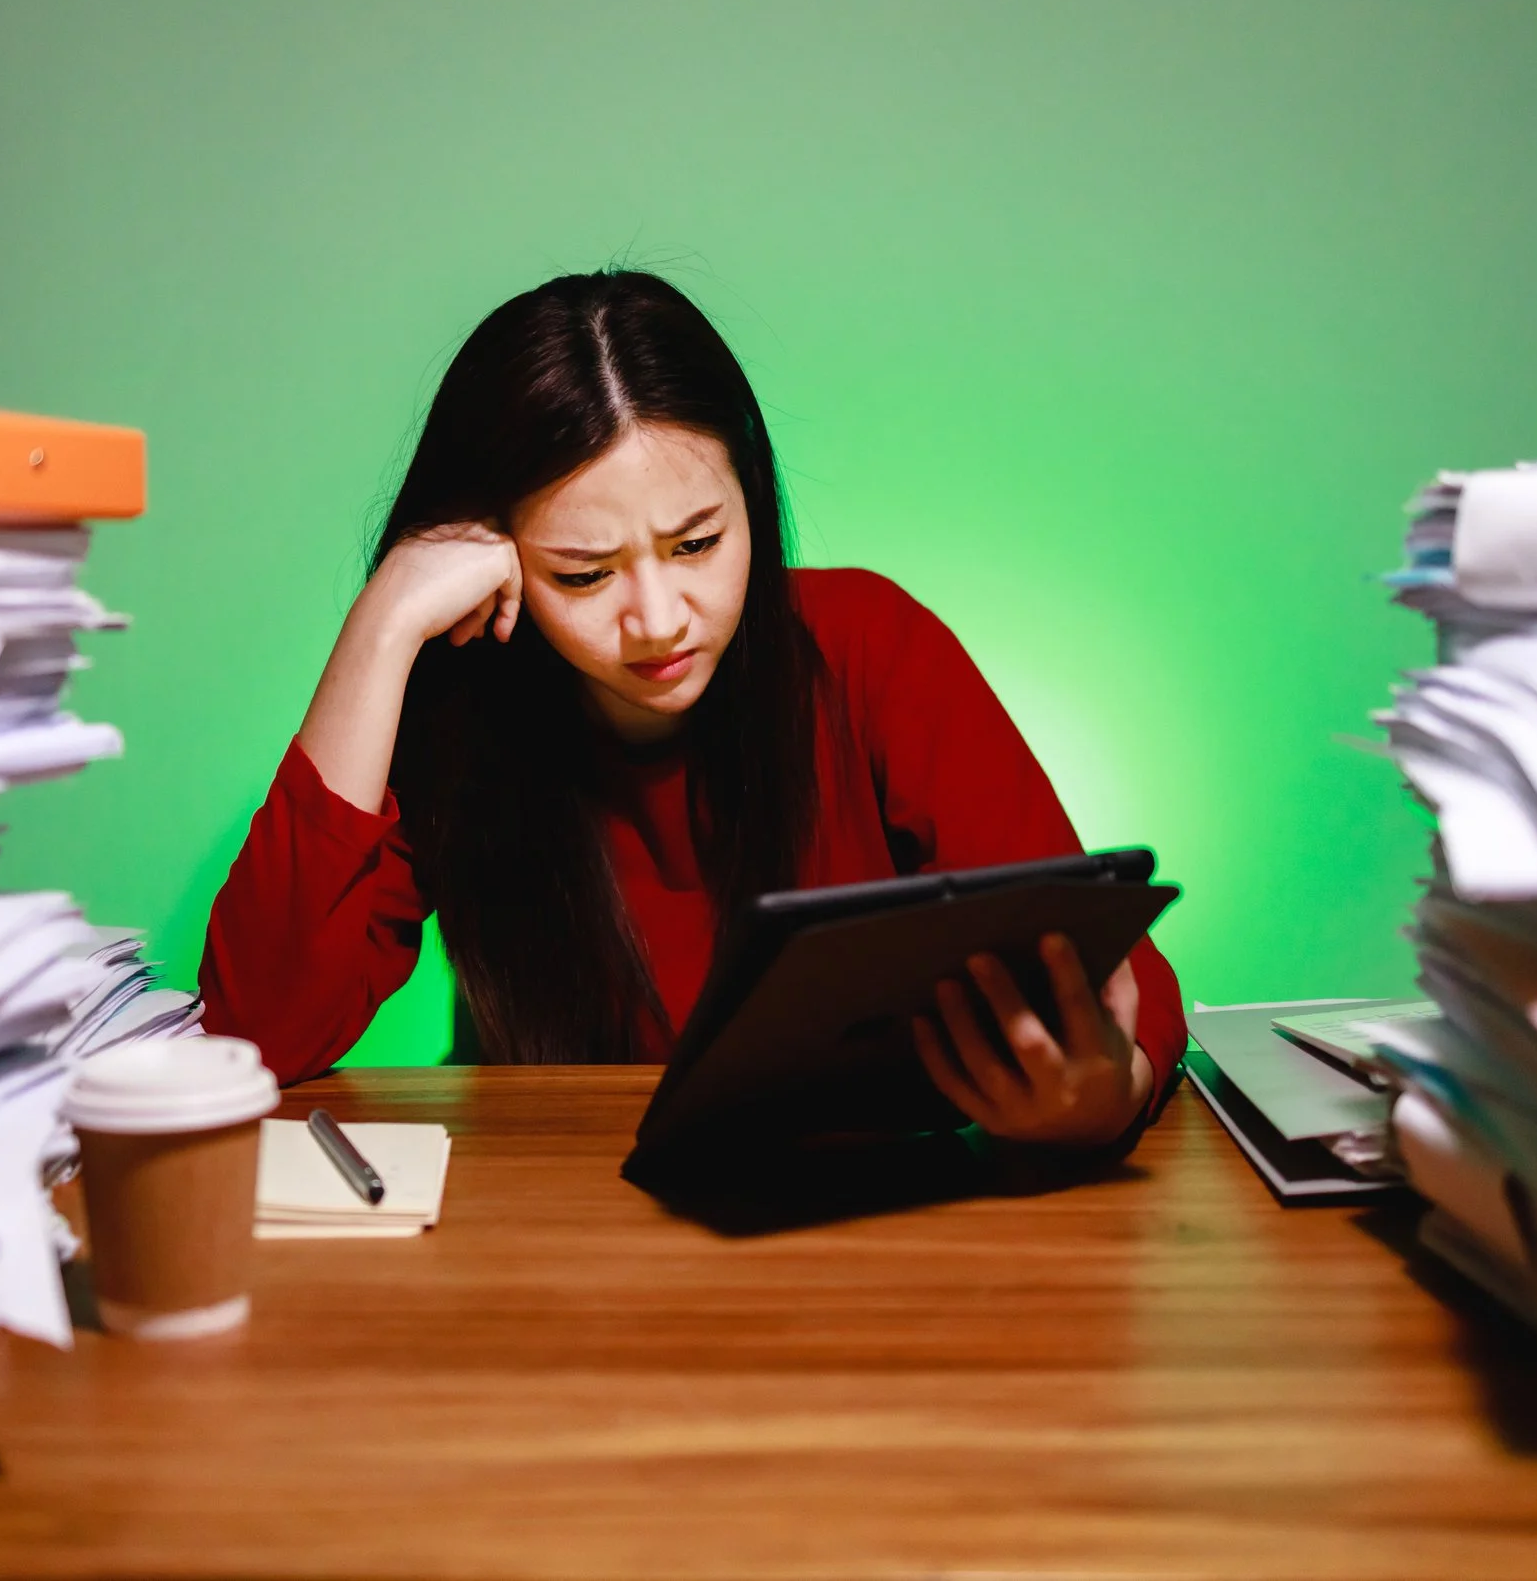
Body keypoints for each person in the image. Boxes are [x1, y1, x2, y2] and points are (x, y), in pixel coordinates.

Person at [201, 270, 1185, 1154]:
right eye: (583, 573)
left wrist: (1103, 1095)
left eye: (697, 544)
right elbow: (253, 1036)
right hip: (559, 1222)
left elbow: (1110, 981)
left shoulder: (868, 646)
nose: (659, 619)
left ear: (750, 498)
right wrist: (381, 626)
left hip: (863, 1223)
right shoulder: (463, 715)